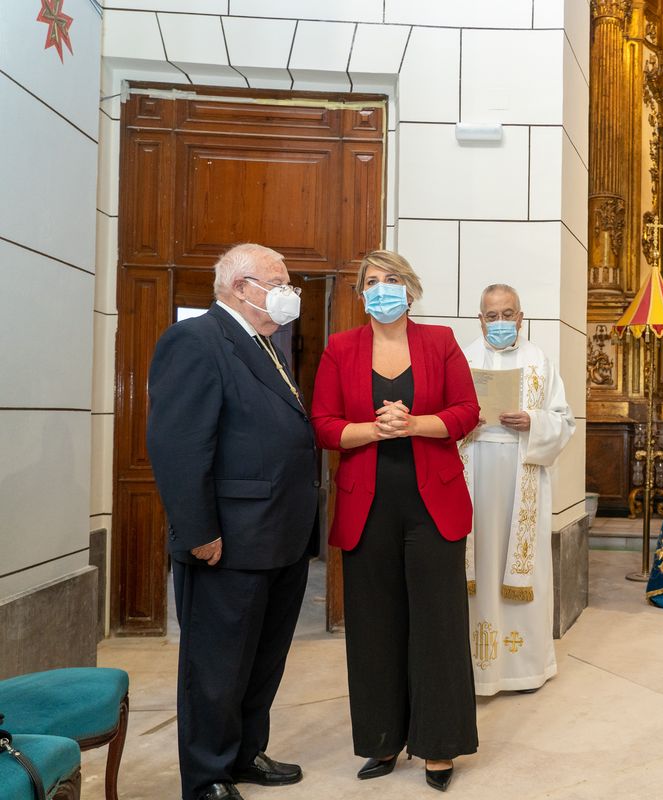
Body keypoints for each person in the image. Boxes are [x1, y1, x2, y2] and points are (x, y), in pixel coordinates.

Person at [146, 243, 319, 800]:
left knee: (262, 659)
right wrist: (198, 533)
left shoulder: (267, 345)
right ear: (242, 286)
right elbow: (178, 446)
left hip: (279, 535)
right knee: (216, 667)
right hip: (227, 540)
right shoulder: (195, 341)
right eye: (280, 281)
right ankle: (207, 776)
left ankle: (245, 752)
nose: (289, 292)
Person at [311, 250, 479, 792]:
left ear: (410, 289)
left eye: (391, 280)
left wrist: (414, 423)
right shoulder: (340, 348)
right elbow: (323, 424)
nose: (381, 289)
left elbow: (466, 411)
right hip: (367, 505)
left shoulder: (441, 343)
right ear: (362, 295)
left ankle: (438, 745)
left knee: (438, 624)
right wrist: (375, 431)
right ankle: (382, 741)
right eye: (371, 282)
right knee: (373, 626)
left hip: (434, 504)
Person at [460, 285, 575, 696]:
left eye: (508, 314)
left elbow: (564, 421)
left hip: (521, 475)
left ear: (521, 318)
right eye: (492, 316)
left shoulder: (539, 362)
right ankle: (471, 668)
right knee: (479, 565)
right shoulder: (462, 360)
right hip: (471, 473)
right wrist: (462, 421)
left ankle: (524, 668)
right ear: (480, 319)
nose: (500, 323)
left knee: (520, 566)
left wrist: (534, 422)